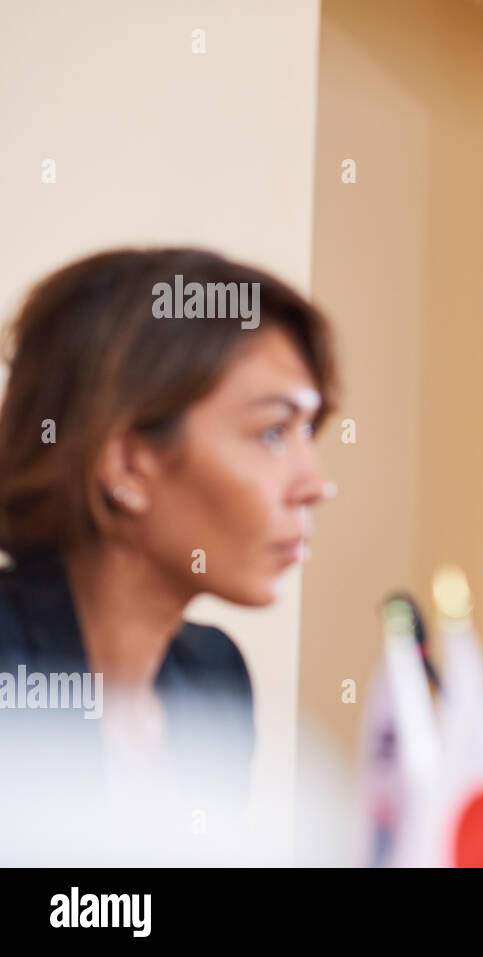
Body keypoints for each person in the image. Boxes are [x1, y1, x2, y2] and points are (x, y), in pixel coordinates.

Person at [0, 247, 338, 816]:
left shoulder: (214, 676)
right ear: (128, 463)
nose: (317, 484)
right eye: (273, 432)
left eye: (310, 430)